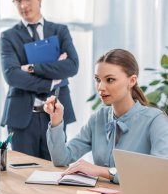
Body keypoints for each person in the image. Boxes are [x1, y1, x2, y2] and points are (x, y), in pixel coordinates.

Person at [44, 49, 168, 184]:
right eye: (97, 79)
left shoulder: (155, 120)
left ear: (132, 81)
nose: (100, 87)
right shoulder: (98, 118)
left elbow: (161, 172)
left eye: (110, 80)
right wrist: (56, 121)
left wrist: (104, 172)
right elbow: (61, 159)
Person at [0, 0, 79, 160]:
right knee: (23, 173)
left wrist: (32, 68)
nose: (23, 5)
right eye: (18, 1)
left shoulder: (60, 31)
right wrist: (49, 82)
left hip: (54, 114)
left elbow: (72, 66)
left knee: (55, 168)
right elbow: (12, 76)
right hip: (22, 116)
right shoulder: (8, 36)